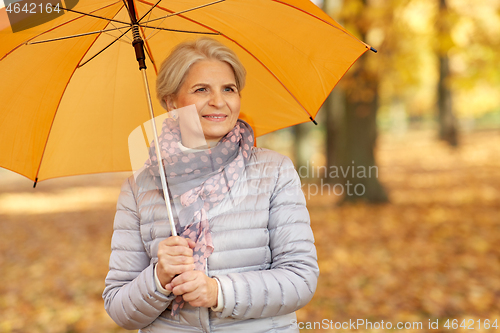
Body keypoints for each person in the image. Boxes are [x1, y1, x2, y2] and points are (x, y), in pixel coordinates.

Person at [103, 37, 319, 332]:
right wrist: (158, 278)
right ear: (171, 102)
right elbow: (120, 308)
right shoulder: (140, 188)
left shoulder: (274, 172)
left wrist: (219, 292)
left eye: (228, 89)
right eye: (201, 89)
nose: (218, 101)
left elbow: (300, 279)